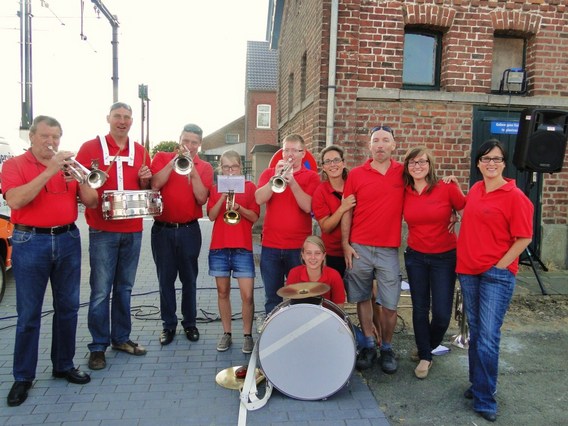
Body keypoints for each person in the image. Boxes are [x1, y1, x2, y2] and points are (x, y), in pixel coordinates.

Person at [3, 116, 98, 407]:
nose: (51, 142)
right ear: (31, 137)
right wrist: (49, 170)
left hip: (67, 239)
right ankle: (23, 376)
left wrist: (82, 182)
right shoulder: (14, 166)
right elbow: (16, 200)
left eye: (56, 137)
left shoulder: (68, 166)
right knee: (29, 313)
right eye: (45, 136)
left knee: (68, 308)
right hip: (30, 241)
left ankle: (63, 365)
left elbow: (92, 201)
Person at [456, 139, 533, 423]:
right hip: (469, 271)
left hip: (495, 276)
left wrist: (499, 265)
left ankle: (486, 398)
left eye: (497, 159)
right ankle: (479, 384)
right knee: (476, 333)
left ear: (504, 163)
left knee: (488, 338)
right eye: (486, 159)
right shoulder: (476, 189)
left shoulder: (515, 196)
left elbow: (524, 237)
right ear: (478, 163)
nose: (491, 163)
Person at [76, 102, 152, 370]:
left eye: (127, 117)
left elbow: (145, 187)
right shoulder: (89, 148)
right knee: (100, 291)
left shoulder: (141, 151)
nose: (122, 121)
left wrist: (145, 180)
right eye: (118, 116)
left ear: (132, 121)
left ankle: (120, 337)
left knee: (125, 288)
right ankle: (98, 346)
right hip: (102, 230)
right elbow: (79, 184)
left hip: (132, 229)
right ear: (108, 118)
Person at [341, 125, 404, 373]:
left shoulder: (403, 172)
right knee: (362, 297)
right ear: (369, 146)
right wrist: (346, 244)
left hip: (389, 248)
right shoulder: (356, 174)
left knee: (390, 304)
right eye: (375, 140)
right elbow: (347, 210)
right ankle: (368, 344)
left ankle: (387, 347)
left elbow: (425, 182)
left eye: (385, 140)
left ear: (393, 145)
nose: (380, 144)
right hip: (360, 247)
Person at [402, 147, 466, 379]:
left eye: (422, 162)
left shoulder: (446, 187)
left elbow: (467, 209)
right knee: (420, 308)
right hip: (416, 256)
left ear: (430, 164)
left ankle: (425, 346)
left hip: (445, 257)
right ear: (407, 167)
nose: (417, 166)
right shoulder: (404, 190)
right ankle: (425, 357)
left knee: (441, 313)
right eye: (412, 163)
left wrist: (456, 215)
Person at [150, 123, 213, 345]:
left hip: (189, 230)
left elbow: (201, 199)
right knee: (165, 280)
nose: (189, 146)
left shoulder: (204, 167)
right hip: (162, 230)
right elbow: (155, 184)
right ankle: (168, 325)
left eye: (194, 142)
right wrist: (173, 162)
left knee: (189, 280)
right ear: (179, 140)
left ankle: (190, 324)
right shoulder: (161, 157)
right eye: (185, 141)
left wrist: (192, 168)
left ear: (200, 144)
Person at [255, 134, 320, 314]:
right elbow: (259, 198)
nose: (289, 154)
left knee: (300, 296)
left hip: (298, 248)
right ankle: (274, 335)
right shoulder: (269, 173)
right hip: (271, 246)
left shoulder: (311, 177)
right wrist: (275, 177)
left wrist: (293, 183)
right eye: (286, 150)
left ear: (303, 153)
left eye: (294, 150)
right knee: (272, 297)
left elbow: (308, 207)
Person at [207, 150, 259, 353]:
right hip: (219, 247)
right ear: (221, 168)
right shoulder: (214, 188)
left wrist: (238, 206)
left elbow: (254, 217)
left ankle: (247, 335)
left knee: (247, 296)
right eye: (226, 167)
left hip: (243, 248)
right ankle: (227, 333)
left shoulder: (250, 187)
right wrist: (222, 197)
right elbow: (211, 216)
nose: (230, 171)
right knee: (222, 292)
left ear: (240, 167)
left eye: (234, 167)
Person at [312, 145, 355, 278]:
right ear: (323, 167)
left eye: (336, 160)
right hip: (334, 253)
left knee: (365, 294)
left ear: (343, 163)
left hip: (357, 249)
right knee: (336, 295)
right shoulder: (321, 192)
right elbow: (326, 227)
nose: (333, 164)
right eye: (328, 161)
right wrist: (342, 208)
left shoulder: (354, 184)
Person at [286, 235, 346, 308]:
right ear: (303, 255)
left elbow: (339, 307)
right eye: (308, 253)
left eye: (317, 253)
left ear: (324, 255)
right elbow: (292, 306)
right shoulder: (294, 273)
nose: (313, 257)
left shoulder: (334, 275)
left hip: (326, 317)